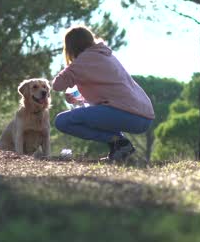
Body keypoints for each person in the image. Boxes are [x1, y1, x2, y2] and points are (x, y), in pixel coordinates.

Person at [51, 25, 155, 161]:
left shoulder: (83, 60)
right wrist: (79, 97)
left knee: (62, 121)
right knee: (90, 111)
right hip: (144, 117)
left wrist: (70, 66)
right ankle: (118, 149)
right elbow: (108, 90)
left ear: (70, 47)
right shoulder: (105, 55)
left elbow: (57, 85)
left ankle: (118, 141)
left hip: (130, 115)